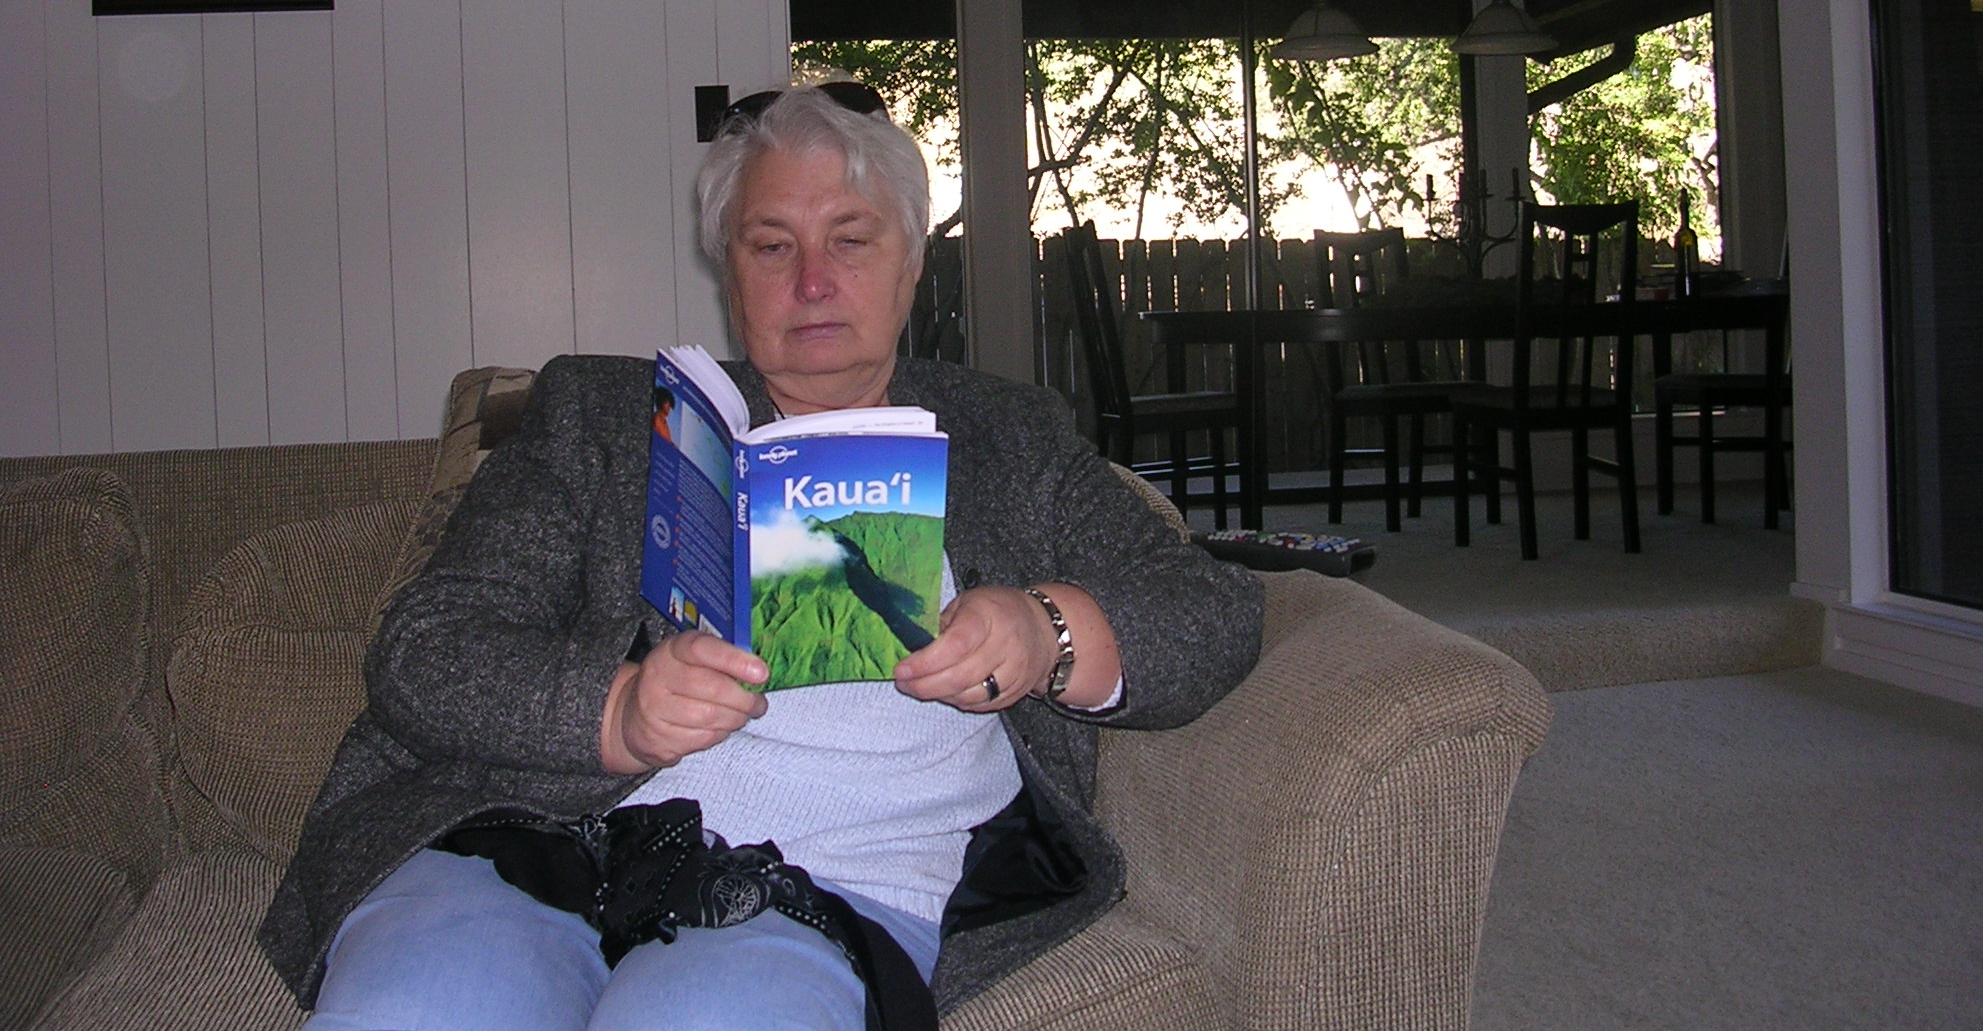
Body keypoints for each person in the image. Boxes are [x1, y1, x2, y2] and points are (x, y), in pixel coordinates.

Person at [261, 80, 1263, 1031]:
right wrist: (614, 709)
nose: (812, 282)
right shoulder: (601, 418)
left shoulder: (1010, 437)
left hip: (831, 883)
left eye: (851, 241)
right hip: (528, 840)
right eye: (771, 245)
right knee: (422, 1009)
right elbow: (426, 649)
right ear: (727, 269)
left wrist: (1044, 630)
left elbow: (1209, 610)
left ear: (912, 261)